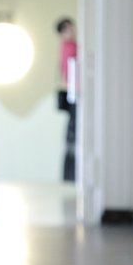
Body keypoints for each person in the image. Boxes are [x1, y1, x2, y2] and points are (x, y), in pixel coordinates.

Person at [56, 17, 77, 182]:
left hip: (72, 94)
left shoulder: (63, 47)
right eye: (69, 29)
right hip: (75, 95)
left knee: (71, 135)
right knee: (73, 135)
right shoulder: (70, 47)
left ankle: (69, 175)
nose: (73, 31)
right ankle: (71, 175)